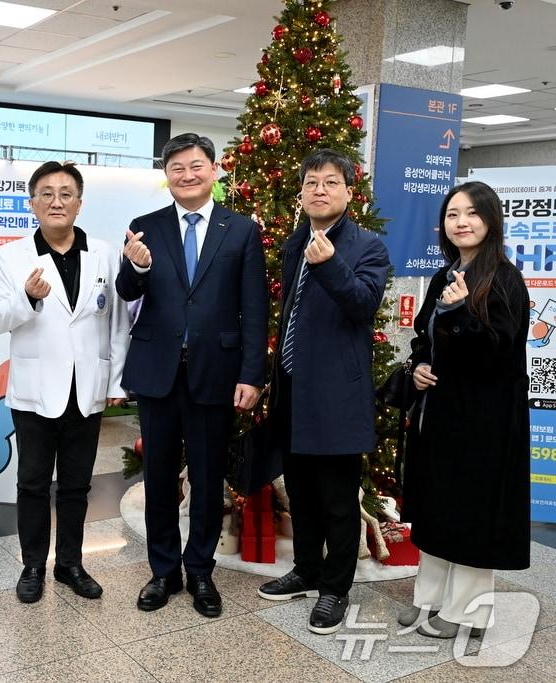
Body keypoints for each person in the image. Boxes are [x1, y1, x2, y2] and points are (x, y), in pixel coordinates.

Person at [116, 133, 268, 618]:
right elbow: (126, 291)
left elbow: (254, 308)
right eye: (177, 167)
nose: (187, 174)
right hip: (157, 370)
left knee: (206, 478)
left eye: (196, 165)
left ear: (214, 170)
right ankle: (163, 571)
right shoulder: (145, 227)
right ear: (167, 175)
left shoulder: (240, 230)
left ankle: (200, 570)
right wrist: (137, 268)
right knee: (159, 477)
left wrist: (252, 374)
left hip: (216, 371)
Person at [257, 149, 390, 635]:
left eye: (331, 182)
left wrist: (331, 264)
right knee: (302, 492)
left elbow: (362, 305)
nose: (320, 190)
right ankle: (307, 569)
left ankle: (335, 588)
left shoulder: (368, 246)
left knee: (337, 500)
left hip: (336, 395)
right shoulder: (297, 242)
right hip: (294, 390)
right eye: (311, 182)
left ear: (349, 192)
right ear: (301, 193)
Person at [0, 161, 129, 603]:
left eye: (66, 193)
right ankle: (32, 565)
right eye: (46, 194)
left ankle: (70, 563)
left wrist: (116, 381)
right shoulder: (12, 256)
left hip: (87, 388)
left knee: (76, 485)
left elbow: (118, 322)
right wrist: (27, 298)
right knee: (32, 483)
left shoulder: (104, 253)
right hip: (35, 389)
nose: (56, 201)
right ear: (32, 203)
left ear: (79, 203)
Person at [399, 181, 529, 638]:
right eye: (453, 214)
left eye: (472, 213)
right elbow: (425, 337)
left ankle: (467, 614)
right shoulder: (444, 276)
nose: (461, 222)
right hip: (442, 414)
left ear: (490, 220)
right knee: (438, 506)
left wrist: (460, 315)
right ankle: (429, 599)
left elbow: (498, 352)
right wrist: (420, 365)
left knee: (473, 512)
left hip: (484, 420)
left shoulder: (504, 279)